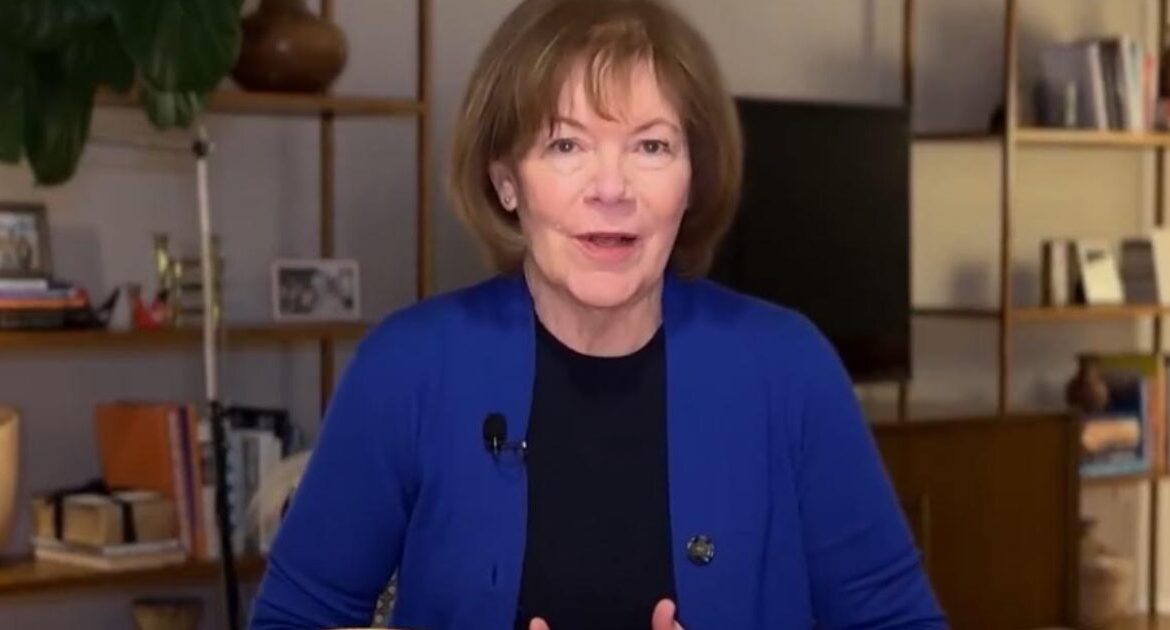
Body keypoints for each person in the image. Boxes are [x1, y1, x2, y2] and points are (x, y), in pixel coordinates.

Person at [249, 0, 947, 628]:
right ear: (506, 181)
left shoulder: (788, 369)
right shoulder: (407, 369)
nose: (611, 188)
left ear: (692, 179)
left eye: (651, 146)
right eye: (566, 144)